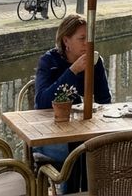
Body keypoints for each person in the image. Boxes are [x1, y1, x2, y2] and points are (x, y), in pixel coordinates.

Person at [35, 14, 113, 192]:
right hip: (51, 132)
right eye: (82, 38)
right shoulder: (49, 62)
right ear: (66, 41)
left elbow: (105, 100)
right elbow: (42, 102)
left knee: (98, 148)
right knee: (77, 152)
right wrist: (73, 70)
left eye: (90, 38)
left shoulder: (95, 62)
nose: (88, 43)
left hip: (81, 130)